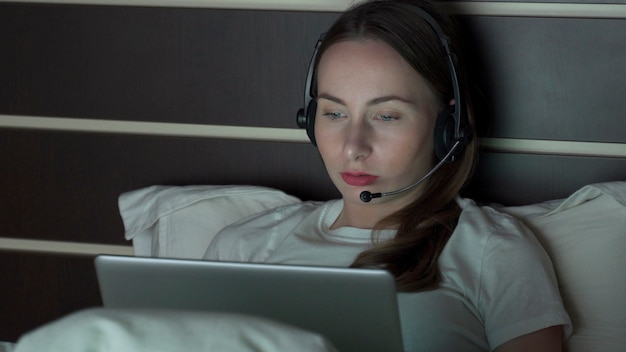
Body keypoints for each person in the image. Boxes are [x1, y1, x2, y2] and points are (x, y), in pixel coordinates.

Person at [204, 0, 572, 350]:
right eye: (334, 113)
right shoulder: (244, 247)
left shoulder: (493, 251)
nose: (353, 147)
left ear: (449, 126)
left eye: (387, 116)